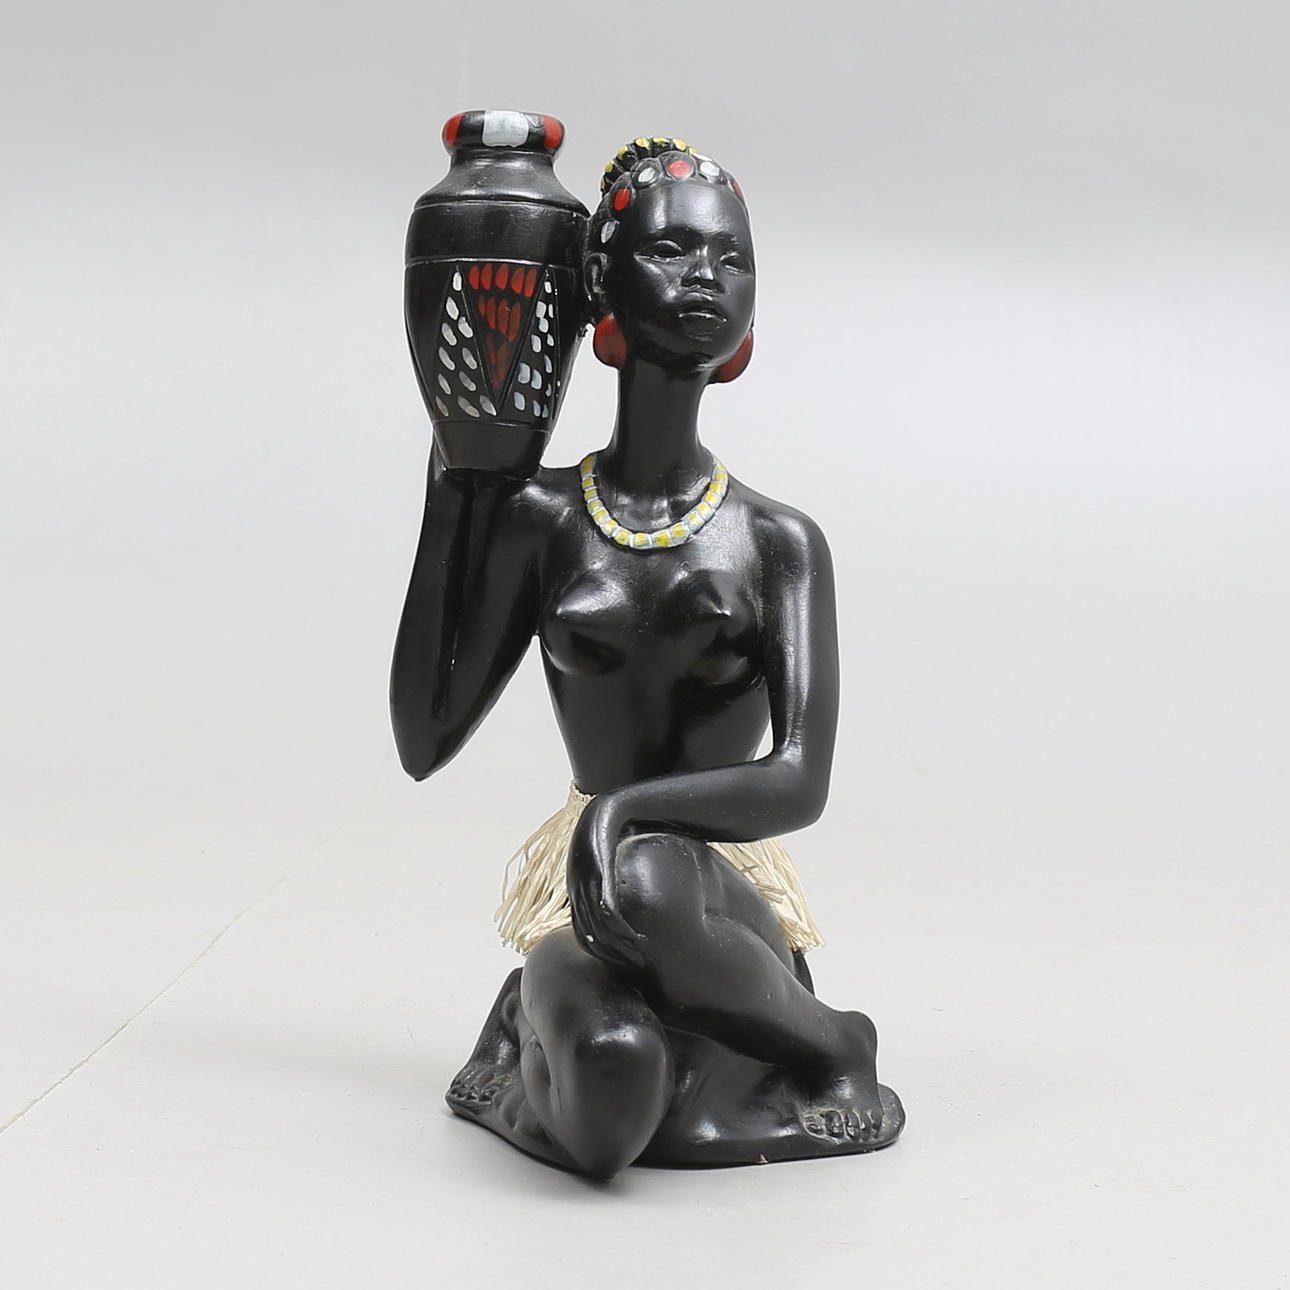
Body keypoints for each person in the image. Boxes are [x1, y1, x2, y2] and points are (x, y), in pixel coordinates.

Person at [391, 137, 902, 1178]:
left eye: (731, 257)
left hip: (709, 905)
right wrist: (455, 489)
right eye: (669, 251)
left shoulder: (777, 542)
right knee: (612, 1101)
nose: (705, 276)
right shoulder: (544, 520)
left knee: (652, 868)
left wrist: (622, 812)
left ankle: (833, 1041)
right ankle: (531, 1034)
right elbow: (423, 738)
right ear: (600, 289)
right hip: (591, 902)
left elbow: (798, 780)